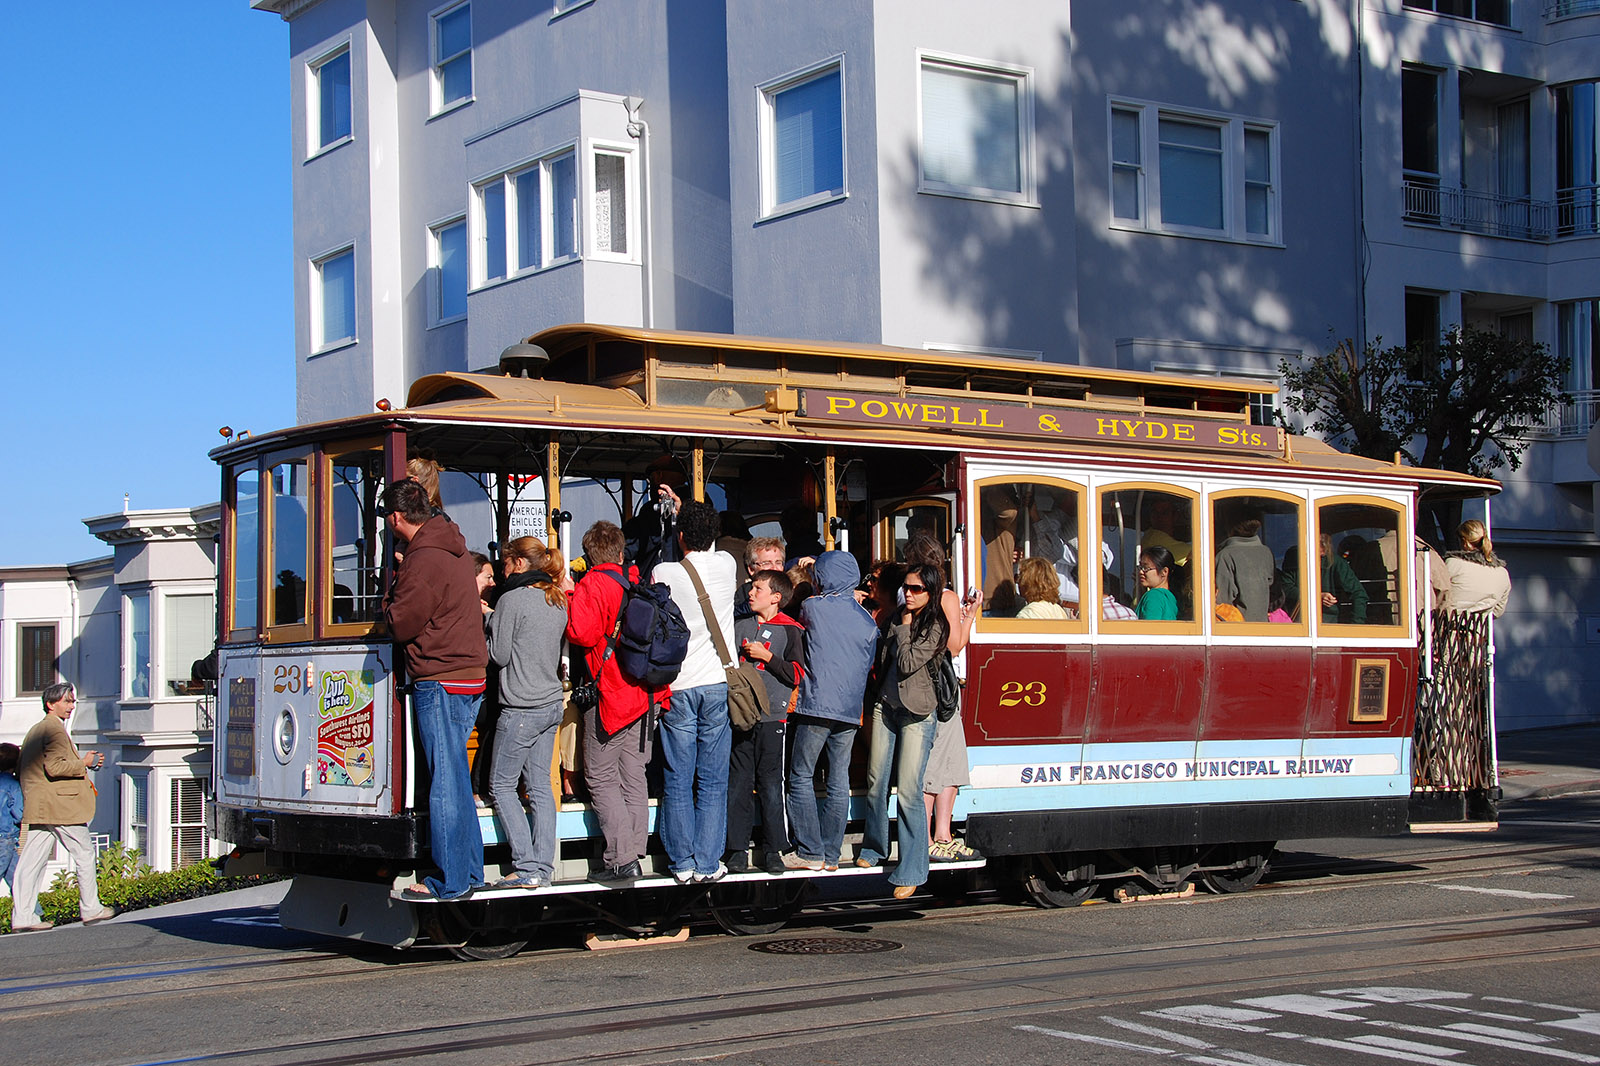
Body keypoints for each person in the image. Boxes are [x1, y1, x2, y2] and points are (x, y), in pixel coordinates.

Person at [382, 479, 488, 902]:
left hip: (440, 676)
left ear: (395, 517)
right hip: (469, 673)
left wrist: (392, 590)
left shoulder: (422, 558)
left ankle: (452, 879)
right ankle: (471, 871)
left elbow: (400, 624)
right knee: (457, 778)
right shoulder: (453, 544)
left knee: (444, 781)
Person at [566, 520, 658, 883]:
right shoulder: (637, 581)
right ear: (621, 553)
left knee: (600, 776)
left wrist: (572, 596)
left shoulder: (592, 584)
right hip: (645, 692)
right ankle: (635, 849)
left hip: (611, 693)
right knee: (634, 774)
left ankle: (620, 859)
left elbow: (581, 633)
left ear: (589, 556)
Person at [651, 501, 739, 883]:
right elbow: (706, 545)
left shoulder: (664, 570)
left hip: (679, 685)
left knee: (678, 777)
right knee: (713, 779)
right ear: (715, 536)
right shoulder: (727, 566)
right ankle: (707, 862)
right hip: (717, 682)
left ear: (680, 535)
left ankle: (682, 862)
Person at [857, 563, 949, 899]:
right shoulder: (896, 615)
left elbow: (909, 663)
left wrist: (904, 628)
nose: (908, 594)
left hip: (918, 713)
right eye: (906, 588)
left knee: (909, 791)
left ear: (931, 591)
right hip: (887, 706)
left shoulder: (936, 624)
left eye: (916, 589)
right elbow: (884, 660)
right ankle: (873, 848)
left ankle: (912, 868)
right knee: (875, 780)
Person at [784, 550, 878, 871]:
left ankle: (809, 850)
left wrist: (805, 573)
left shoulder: (813, 607)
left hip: (816, 705)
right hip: (851, 710)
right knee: (839, 781)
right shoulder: (866, 619)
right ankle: (831, 854)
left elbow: (800, 606)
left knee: (800, 775)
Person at [486, 537, 568, 889]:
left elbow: (500, 655)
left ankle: (525, 866)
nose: (502, 571)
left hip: (521, 706)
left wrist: (487, 622)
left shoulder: (511, 599)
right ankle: (544, 869)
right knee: (540, 788)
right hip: (550, 704)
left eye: (504, 564)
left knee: (501, 785)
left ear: (518, 563)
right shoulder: (557, 599)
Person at [10, 683, 115, 931]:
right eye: (67, 701)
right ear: (51, 704)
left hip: (41, 805)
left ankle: (23, 917)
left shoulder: (38, 729)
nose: (72, 705)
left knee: (30, 863)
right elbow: (55, 768)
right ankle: (91, 908)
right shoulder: (53, 731)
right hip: (60, 805)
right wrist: (85, 762)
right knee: (85, 853)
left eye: (72, 701)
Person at [904, 534, 981, 864]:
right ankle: (939, 836)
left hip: (916, 686)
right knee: (943, 762)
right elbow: (955, 645)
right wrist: (971, 614)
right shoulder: (944, 596)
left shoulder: (908, 596)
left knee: (930, 762)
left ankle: (932, 836)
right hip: (942, 688)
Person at [726, 569, 805, 875]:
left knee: (771, 784)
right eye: (751, 587)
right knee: (739, 783)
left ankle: (774, 848)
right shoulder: (740, 626)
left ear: (776, 597)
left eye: (758, 588)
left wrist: (767, 656)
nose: (750, 592)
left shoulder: (791, 630)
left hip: (774, 716)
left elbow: (796, 674)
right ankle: (736, 849)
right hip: (741, 716)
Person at [624, 455, 688, 576]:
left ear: (659, 476)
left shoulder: (652, 510)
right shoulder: (700, 502)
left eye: (651, 478)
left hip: (656, 581)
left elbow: (631, 543)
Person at [1214, 508, 1274, 622]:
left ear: (1228, 526)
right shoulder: (1266, 552)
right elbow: (1274, 590)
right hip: (1264, 627)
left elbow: (1223, 601)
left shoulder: (1226, 555)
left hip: (1237, 629)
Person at [1445, 519, 1511, 616]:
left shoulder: (1453, 564)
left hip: (1448, 627)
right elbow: (1497, 612)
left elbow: (1437, 596)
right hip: (1479, 629)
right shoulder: (1502, 573)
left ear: (1464, 542)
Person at [1317, 533, 1368, 624]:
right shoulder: (1295, 560)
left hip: (1329, 623)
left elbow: (1359, 594)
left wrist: (1356, 626)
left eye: (1322, 557)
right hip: (1296, 622)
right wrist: (1317, 596)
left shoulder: (1336, 562)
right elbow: (1287, 589)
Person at [736, 536, 786, 620]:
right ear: (751, 569)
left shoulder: (791, 592)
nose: (774, 568)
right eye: (767, 563)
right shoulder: (743, 596)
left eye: (778, 562)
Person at [0, 743, 23, 899]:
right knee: (18, 879)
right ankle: (30, 915)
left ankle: (33, 915)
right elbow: (19, 814)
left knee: (17, 879)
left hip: (6, 839)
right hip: (6, 837)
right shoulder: (13, 785)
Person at [1135, 546, 1179, 621]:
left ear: (1164, 572)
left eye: (1146, 568)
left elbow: (1150, 629)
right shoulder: (1170, 597)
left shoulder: (1153, 596)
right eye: (1140, 567)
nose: (1141, 572)